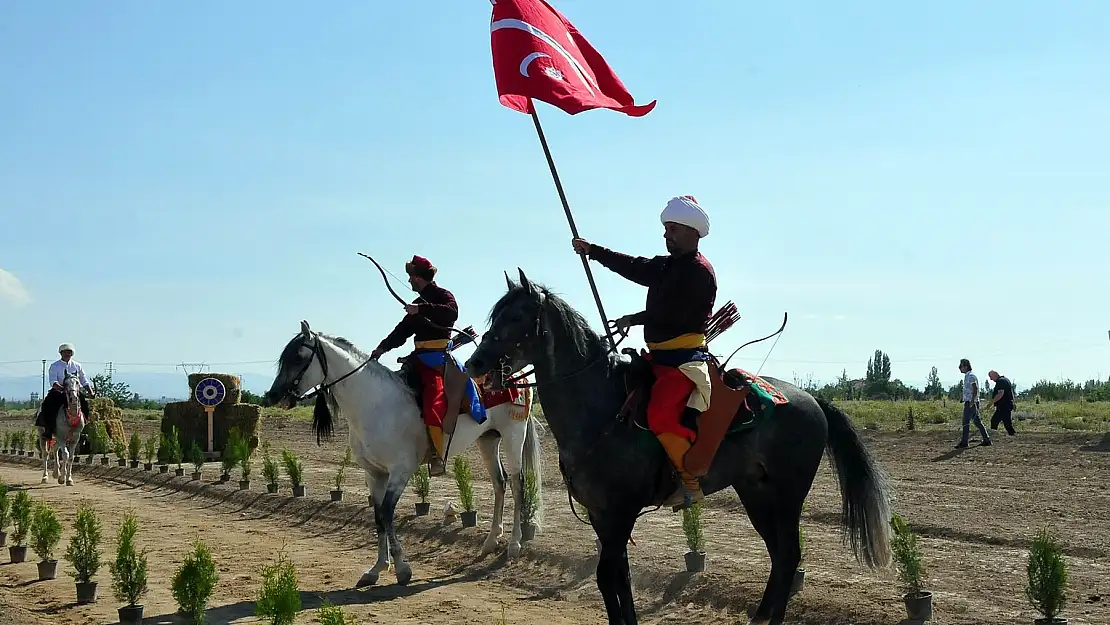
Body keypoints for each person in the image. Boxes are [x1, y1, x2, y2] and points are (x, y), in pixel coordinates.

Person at [571, 195, 717, 508]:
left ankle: (691, 483)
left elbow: (673, 315)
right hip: (658, 358)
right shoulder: (667, 266)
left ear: (692, 231)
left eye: (673, 229)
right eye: (666, 229)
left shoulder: (699, 273)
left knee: (660, 415)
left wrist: (635, 319)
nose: (667, 235)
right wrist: (594, 252)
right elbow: (633, 266)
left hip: (683, 362)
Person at [369, 255, 462, 475]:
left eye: (411, 277)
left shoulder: (442, 296)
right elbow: (401, 331)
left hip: (437, 360)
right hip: (417, 358)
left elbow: (451, 313)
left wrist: (421, 310)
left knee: (432, 404)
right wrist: (382, 348)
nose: (409, 281)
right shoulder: (418, 304)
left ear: (418, 278)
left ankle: (438, 457)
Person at [36, 343, 95, 441]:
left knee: (85, 405)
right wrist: (62, 389)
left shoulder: (77, 366)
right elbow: (53, 382)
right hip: (59, 392)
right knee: (48, 406)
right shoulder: (55, 366)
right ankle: (48, 430)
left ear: (72, 354)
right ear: (61, 353)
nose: (67, 354)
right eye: (65, 352)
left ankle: (83, 428)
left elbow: (84, 380)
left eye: (69, 352)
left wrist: (91, 392)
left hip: (74, 392)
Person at [956, 358, 991, 448]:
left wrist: (972, 401)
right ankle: (986, 439)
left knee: (966, 422)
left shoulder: (971, 376)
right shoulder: (968, 376)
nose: (959, 368)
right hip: (970, 402)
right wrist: (963, 398)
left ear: (966, 366)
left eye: (961, 366)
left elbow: (974, 388)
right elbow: (969, 390)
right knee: (977, 422)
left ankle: (964, 442)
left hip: (971, 403)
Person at [987, 370, 1017, 436]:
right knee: (1005, 422)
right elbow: (1011, 392)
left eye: (991, 377)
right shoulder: (1005, 380)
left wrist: (991, 403)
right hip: (1006, 405)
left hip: (1004, 406)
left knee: (995, 421)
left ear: (995, 375)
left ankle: (994, 435)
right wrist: (1013, 402)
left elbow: (1000, 394)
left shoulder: (1000, 381)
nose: (991, 379)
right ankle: (1012, 435)